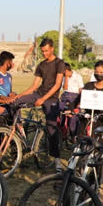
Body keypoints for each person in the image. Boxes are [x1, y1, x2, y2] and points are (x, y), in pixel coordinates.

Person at [15, 39, 65, 170]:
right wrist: (21, 95)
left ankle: (57, 159)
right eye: (42, 51)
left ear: (52, 49)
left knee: (51, 128)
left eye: (46, 50)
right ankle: (17, 137)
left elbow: (57, 85)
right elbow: (34, 86)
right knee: (16, 103)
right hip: (39, 93)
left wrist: (43, 99)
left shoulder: (59, 63)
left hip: (51, 98)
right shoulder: (41, 65)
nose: (44, 53)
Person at [59, 62, 84, 136]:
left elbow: (80, 90)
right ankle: (61, 130)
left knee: (73, 116)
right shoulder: (63, 77)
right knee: (58, 110)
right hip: (65, 96)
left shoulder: (78, 76)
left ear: (66, 71)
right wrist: (66, 78)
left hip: (74, 97)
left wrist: (79, 103)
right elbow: (65, 88)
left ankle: (73, 135)